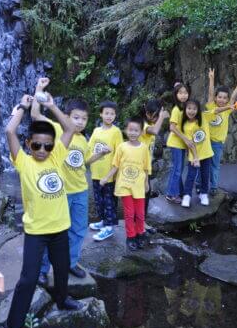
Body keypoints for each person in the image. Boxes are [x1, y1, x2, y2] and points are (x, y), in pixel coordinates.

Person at [5, 93, 82, 328]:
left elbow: (70, 127)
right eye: (37, 145)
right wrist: (22, 107)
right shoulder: (24, 163)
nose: (42, 150)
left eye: (48, 145)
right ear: (28, 144)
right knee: (28, 278)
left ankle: (62, 299)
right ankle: (13, 327)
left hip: (60, 227)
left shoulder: (57, 156)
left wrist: (51, 106)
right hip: (36, 231)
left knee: (61, 270)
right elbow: (9, 131)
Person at [30, 78, 92, 284]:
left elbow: (83, 163)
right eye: (76, 117)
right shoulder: (57, 129)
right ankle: (42, 269)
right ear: (67, 117)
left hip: (81, 191)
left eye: (84, 119)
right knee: (54, 231)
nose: (80, 122)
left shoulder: (84, 140)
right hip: (60, 193)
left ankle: (71, 263)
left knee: (78, 229)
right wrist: (39, 90)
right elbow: (35, 115)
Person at [99, 117, 151, 251]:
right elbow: (115, 166)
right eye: (130, 130)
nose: (133, 133)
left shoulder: (144, 148)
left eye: (136, 130)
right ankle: (131, 236)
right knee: (129, 213)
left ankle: (140, 233)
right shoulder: (122, 147)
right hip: (125, 185)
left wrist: (146, 184)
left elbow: (146, 168)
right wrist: (106, 177)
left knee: (140, 213)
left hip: (138, 186)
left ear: (140, 132)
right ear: (126, 131)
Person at [88, 101, 124, 241]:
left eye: (112, 114)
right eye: (106, 113)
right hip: (96, 172)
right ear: (101, 114)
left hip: (109, 175)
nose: (109, 116)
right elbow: (89, 148)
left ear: (115, 115)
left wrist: (112, 174)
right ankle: (103, 221)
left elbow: (120, 154)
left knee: (109, 201)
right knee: (99, 200)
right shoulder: (96, 131)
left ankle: (109, 228)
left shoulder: (116, 132)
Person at [206, 69, 237, 194]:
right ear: (216, 98)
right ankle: (199, 184)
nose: (222, 100)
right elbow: (211, 93)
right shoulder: (211, 106)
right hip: (206, 142)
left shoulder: (227, 109)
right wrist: (211, 78)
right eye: (220, 97)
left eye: (224, 98)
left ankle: (213, 187)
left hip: (217, 143)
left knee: (215, 166)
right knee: (203, 164)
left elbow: (233, 97)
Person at [139, 99, 169, 232]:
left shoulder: (148, 122)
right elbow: (155, 131)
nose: (157, 118)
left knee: (146, 193)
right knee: (141, 194)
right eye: (156, 115)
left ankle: (142, 223)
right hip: (138, 166)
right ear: (147, 113)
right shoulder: (142, 124)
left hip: (146, 165)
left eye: (158, 115)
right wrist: (162, 117)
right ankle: (138, 224)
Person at [179, 99, 215, 207]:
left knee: (205, 175)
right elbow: (190, 143)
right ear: (185, 110)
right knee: (191, 175)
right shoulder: (185, 125)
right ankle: (187, 196)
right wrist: (196, 157)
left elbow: (216, 111)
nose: (191, 111)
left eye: (194, 109)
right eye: (189, 108)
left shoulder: (203, 117)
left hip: (206, 153)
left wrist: (229, 107)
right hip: (194, 156)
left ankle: (203, 194)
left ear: (198, 110)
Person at [165, 82, 191, 204]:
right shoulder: (176, 109)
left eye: (185, 93)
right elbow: (172, 127)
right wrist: (185, 139)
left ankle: (178, 192)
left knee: (179, 169)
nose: (183, 95)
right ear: (176, 95)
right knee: (177, 169)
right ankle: (171, 194)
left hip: (180, 144)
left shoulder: (186, 108)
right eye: (180, 93)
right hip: (175, 143)